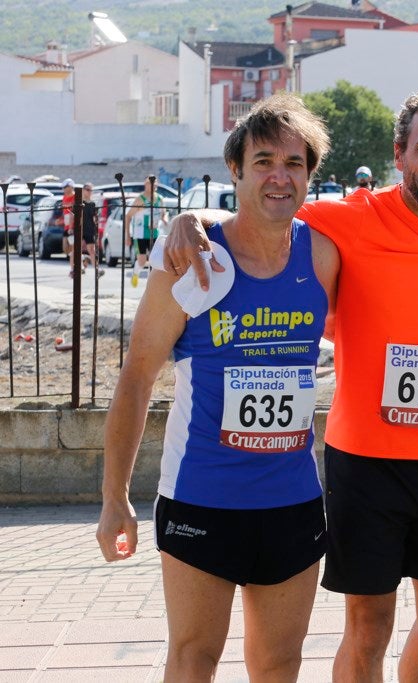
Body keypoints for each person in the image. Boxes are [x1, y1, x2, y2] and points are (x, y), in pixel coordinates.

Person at [163, 85, 418, 683]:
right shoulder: (351, 217)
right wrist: (191, 218)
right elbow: (262, 210)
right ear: (399, 153)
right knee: (369, 627)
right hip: (366, 463)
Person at [95, 91, 339, 681]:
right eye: (263, 162)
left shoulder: (324, 256)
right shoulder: (194, 258)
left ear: (309, 175)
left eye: (294, 163)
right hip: (202, 497)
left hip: (292, 500)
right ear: (235, 169)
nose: (279, 177)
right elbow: (136, 376)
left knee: (280, 663)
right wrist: (114, 498)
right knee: (193, 658)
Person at [125, 176, 167, 287]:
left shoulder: (160, 199)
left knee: (155, 260)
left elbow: (163, 213)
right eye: (150, 183)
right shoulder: (140, 199)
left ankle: (151, 284)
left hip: (155, 233)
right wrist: (127, 235)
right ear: (145, 184)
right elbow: (128, 216)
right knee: (142, 261)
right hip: (140, 234)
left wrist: (165, 220)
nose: (153, 185)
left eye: (155, 183)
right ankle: (135, 273)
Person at [80, 183, 104, 277]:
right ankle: (81, 266)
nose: (89, 192)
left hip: (90, 230)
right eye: (87, 189)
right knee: (78, 249)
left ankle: (97, 269)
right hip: (80, 229)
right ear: (83, 190)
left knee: (92, 250)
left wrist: (96, 230)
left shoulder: (92, 204)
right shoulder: (79, 202)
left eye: (91, 190)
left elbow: (95, 218)